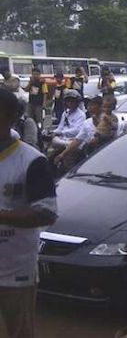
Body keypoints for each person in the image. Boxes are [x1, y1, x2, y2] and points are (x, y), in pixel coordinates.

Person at [0, 88, 57, 338]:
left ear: (11, 117)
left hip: (16, 271)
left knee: (20, 332)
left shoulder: (32, 161)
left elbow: (46, 214)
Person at [54, 96, 103, 169]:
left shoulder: (111, 121)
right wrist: (62, 154)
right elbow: (78, 140)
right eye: (89, 105)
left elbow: (77, 131)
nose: (89, 107)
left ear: (100, 107)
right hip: (86, 151)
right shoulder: (87, 122)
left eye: (92, 105)